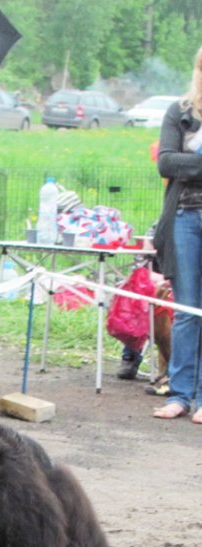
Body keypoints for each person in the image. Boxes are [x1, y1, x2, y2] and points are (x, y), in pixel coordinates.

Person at [153, 46, 202, 424]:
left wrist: (191, 166)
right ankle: (181, 394)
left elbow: (180, 164)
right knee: (187, 310)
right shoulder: (180, 112)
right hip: (185, 218)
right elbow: (166, 162)